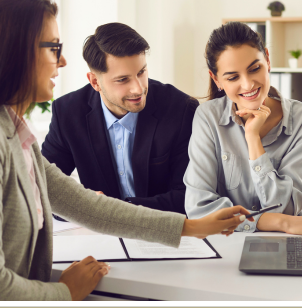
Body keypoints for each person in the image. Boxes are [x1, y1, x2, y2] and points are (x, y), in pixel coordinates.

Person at [0, 0, 251, 301]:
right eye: (54, 49)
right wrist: (65, 291)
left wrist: (192, 228)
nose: (62, 61)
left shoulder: (13, 131)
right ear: (15, 54)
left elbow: (86, 206)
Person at [184, 22, 302, 236]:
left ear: (267, 60)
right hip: (227, 244)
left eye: (255, 69)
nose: (248, 85)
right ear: (216, 79)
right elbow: (199, 210)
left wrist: (253, 139)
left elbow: (286, 208)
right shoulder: (208, 117)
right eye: (232, 77)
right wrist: (279, 222)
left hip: (287, 242)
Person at [41, 23, 197, 214]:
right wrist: (82, 204)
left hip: (165, 232)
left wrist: (115, 211)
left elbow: (189, 195)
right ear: (95, 82)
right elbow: (42, 188)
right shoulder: (68, 113)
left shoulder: (180, 108)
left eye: (141, 72)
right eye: (123, 80)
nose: (138, 88)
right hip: (100, 235)